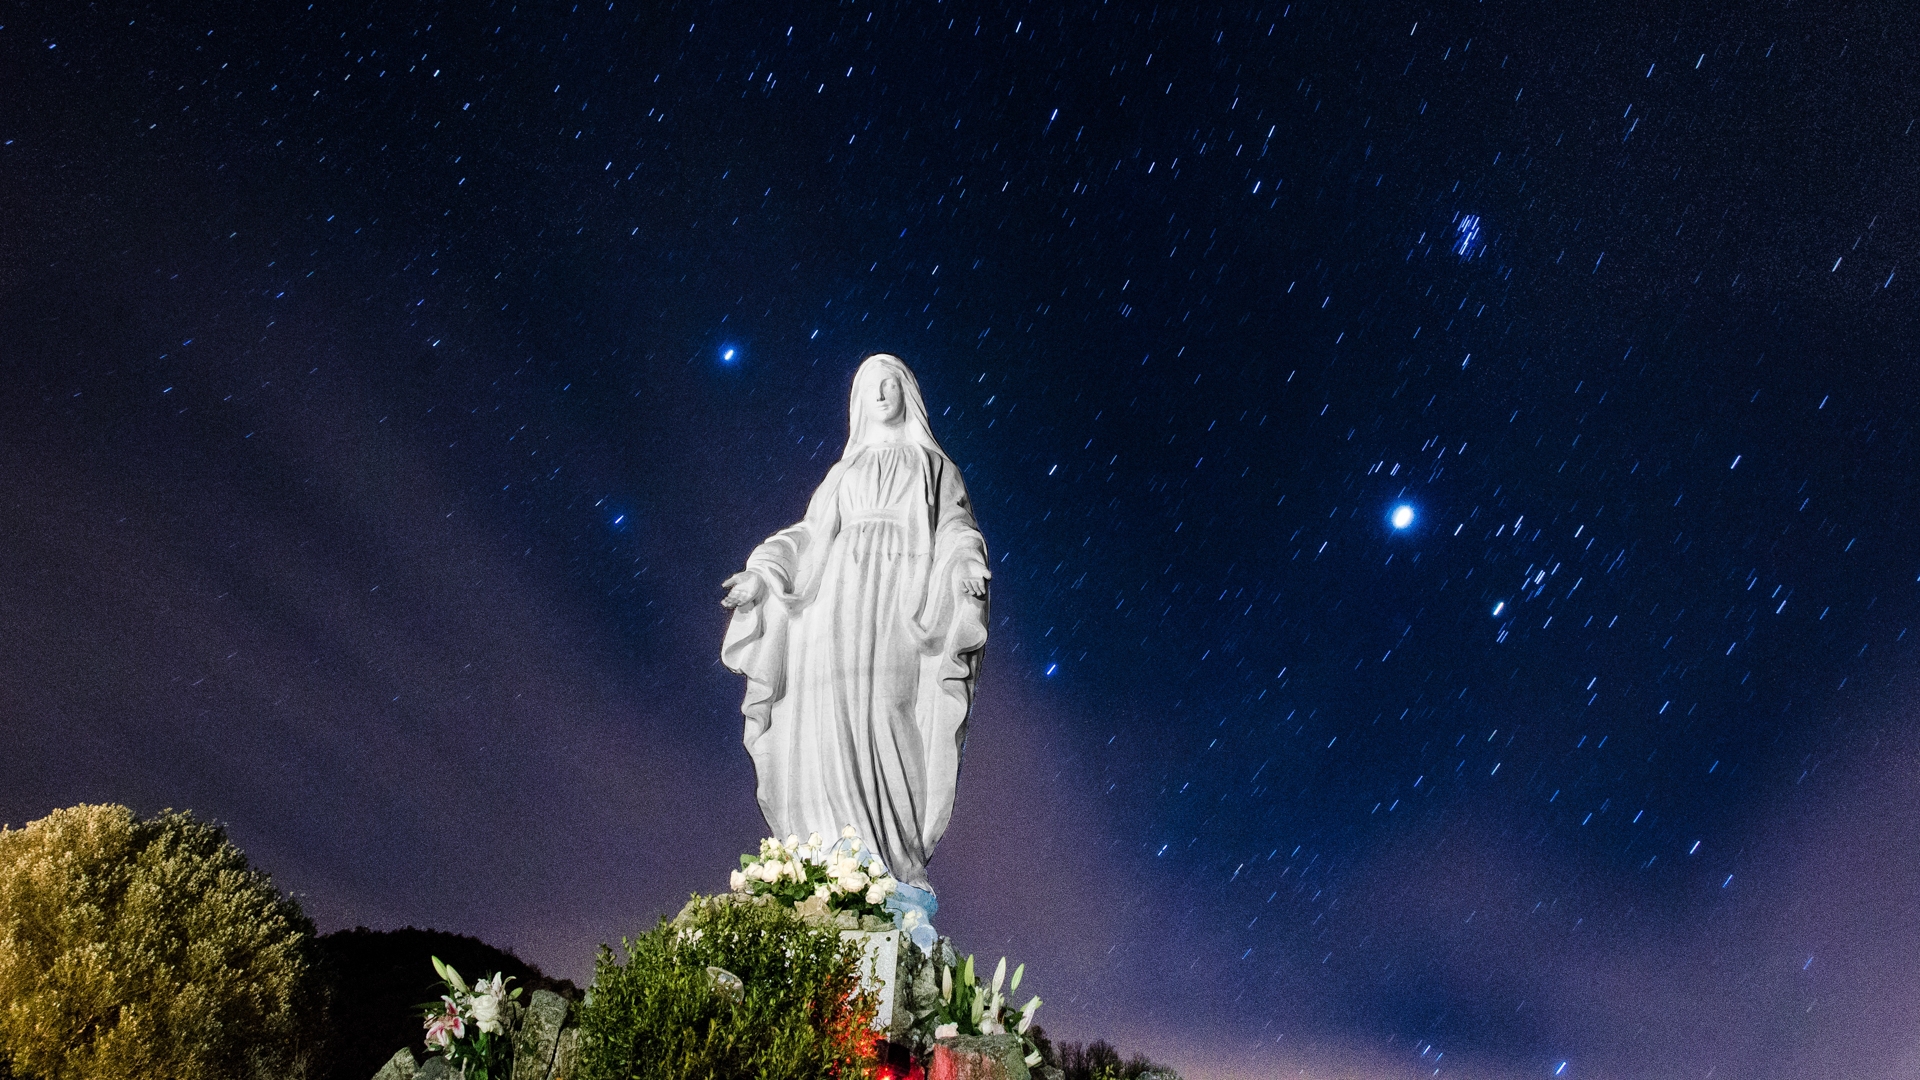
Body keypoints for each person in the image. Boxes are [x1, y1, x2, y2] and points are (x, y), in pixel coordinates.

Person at [720, 353, 988, 942]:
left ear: (908, 394)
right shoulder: (843, 473)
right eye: (872, 386)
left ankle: (890, 857)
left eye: (893, 383)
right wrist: (762, 575)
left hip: (901, 599)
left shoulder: (932, 465)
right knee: (829, 716)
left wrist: (966, 564)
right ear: (859, 402)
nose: (883, 392)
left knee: (888, 713)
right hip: (836, 599)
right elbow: (810, 534)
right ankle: (832, 860)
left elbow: (957, 527)